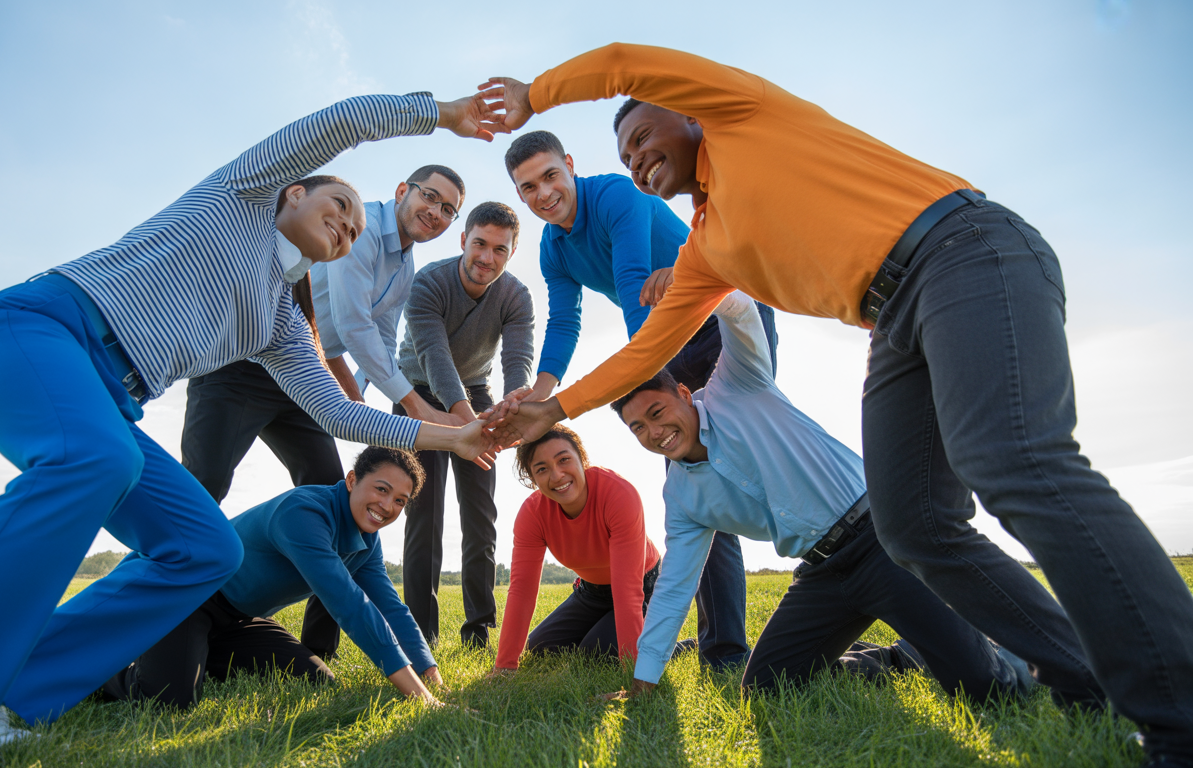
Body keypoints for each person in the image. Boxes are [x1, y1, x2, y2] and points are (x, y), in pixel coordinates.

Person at [479, 44, 1193, 763]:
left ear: (691, 116)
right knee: (913, 522)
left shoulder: (742, 115)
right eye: (626, 155)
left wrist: (536, 95)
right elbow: (642, 354)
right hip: (893, 319)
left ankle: (1178, 710)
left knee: (1014, 463)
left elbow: (628, 62)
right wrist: (552, 407)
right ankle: (1074, 679)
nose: (635, 160)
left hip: (959, 252)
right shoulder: (706, 246)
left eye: (641, 140)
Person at [0, 91, 503, 768]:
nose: (344, 226)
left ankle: (3, 695)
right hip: (33, 331)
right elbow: (340, 123)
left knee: (206, 547)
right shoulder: (238, 198)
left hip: (108, 405)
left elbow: (336, 412)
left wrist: (453, 438)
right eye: (334, 208)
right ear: (292, 193)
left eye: (349, 229)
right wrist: (442, 114)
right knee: (98, 463)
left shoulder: (280, 319)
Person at [605, 292, 1033, 705]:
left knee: (991, 690)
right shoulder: (681, 497)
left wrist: (691, 286)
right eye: (638, 428)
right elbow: (675, 587)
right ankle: (898, 657)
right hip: (822, 574)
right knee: (765, 689)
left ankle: (1013, 653)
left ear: (682, 393)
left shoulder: (738, 385)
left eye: (656, 413)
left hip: (882, 544)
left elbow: (742, 311)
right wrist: (644, 680)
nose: (654, 432)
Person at [178, 164, 466, 660]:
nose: (435, 213)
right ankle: (161, 617)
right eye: (430, 198)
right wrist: (417, 408)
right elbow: (354, 327)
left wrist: (356, 395)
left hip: (302, 372)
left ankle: (319, 651)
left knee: (340, 508)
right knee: (200, 492)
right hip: (238, 371)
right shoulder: (366, 230)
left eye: (448, 209)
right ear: (402, 191)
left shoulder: (405, 266)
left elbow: (382, 336)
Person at [504, 129, 759, 670]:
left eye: (551, 175)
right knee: (696, 483)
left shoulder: (615, 195)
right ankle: (722, 651)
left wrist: (645, 379)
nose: (544, 193)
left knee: (720, 472)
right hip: (662, 345)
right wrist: (539, 398)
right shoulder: (554, 248)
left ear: (570, 165)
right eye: (528, 188)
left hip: (718, 325)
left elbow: (633, 288)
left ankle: (729, 647)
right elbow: (566, 322)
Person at [98, 447, 444, 709]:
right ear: (352, 480)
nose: (388, 506)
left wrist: (429, 672)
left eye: (400, 500)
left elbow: (390, 608)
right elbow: (349, 605)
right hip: (189, 599)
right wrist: (420, 696)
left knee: (316, 680)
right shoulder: (303, 513)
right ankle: (106, 671)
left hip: (239, 620)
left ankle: (196, 654)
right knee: (170, 701)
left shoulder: (366, 541)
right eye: (381, 490)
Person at [395, 201, 535, 647]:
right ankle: (422, 634)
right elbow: (434, 359)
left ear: (511, 253)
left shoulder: (515, 295)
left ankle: (479, 629)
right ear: (463, 240)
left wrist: (513, 409)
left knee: (480, 517)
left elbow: (517, 361)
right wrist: (465, 425)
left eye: (499, 249)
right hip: (418, 396)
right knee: (424, 514)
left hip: (477, 395)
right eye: (479, 244)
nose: (486, 257)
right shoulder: (430, 283)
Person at [492, 425, 693, 672]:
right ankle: (607, 628)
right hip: (591, 593)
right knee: (540, 648)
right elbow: (521, 589)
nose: (556, 476)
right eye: (542, 469)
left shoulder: (618, 494)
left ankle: (674, 647)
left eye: (564, 460)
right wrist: (505, 665)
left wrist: (636, 675)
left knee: (595, 654)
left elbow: (627, 591)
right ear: (532, 478)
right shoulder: (532, 515)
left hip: (643, 585)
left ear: (582, 459)